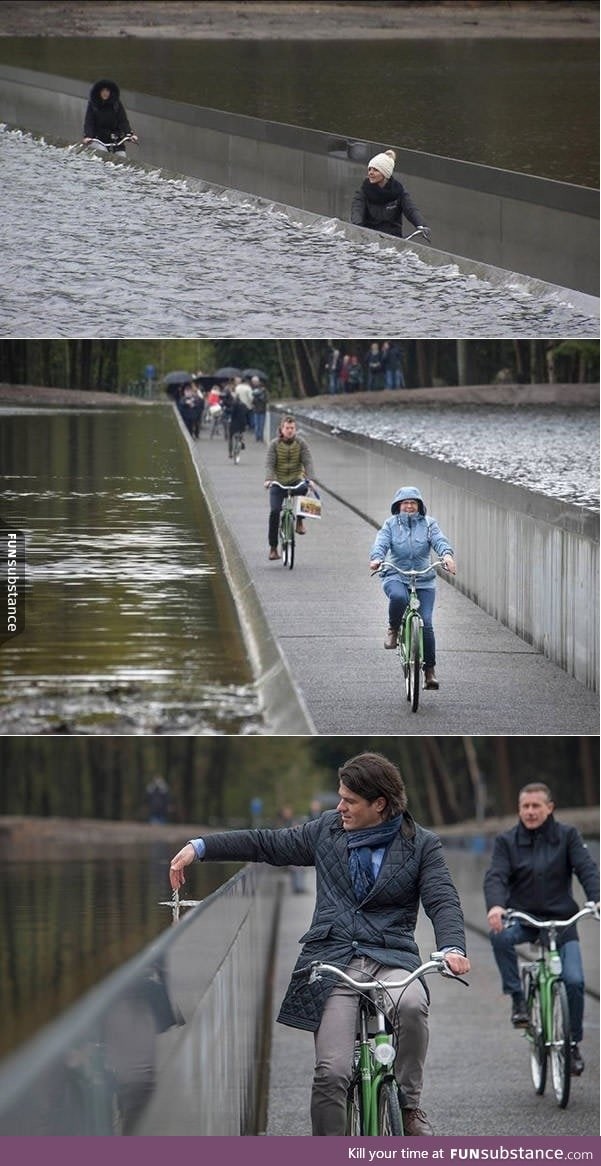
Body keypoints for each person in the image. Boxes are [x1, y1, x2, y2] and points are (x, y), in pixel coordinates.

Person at [169, 751, 470, 1137]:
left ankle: (409, 1108)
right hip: (332, 961)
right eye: (340, 796)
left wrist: (453, 948)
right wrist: (200, 847)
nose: (339, 806)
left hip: (392, 958)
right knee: (332, 1073)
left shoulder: (422, 845)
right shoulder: (326, 831)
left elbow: (443, 899)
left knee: (412, 1006)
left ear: (379, 804)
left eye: (349, 800)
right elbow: (267, 845)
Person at [483, 782, 599, 1076]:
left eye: (537, 806)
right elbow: (495, 876)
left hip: (561, 923)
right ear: (519, 809)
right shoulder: (506, 842)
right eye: (525, 806)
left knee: (573, 981)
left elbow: (587, 868)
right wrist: (496, 906)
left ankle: (572, 1046)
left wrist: (596, 899)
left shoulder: (568, 836)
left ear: (550, 808)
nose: (531, 811)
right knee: (499, 937)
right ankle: (518, 1000)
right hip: (524, 920)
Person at [369, 486, 455, 689]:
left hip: (424, 579)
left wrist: (447, 556)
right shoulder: (390, 524)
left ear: (419, 506)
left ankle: (430, 672)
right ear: (398, 506)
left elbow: (439, 541)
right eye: (405, 503)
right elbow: (381, 543)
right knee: (399, 598)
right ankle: (393, 628)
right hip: (396, 574)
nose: (409, 506)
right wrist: (377, 559)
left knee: (426, 623)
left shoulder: (429, 524)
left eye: (413, 503)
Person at [264, 415, 316, 560]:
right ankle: (273, 548)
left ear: (295, 429)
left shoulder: (301, 443)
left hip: (295, 481)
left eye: (292, 428)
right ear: (282, 429)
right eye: (287, 428)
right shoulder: (274, 444)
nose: (289, 431)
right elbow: (269, 463)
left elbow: (308, 461)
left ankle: (299, 521)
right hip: (278, 483)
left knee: (305, 490)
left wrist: (310, 479)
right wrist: (268, 479)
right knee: (274, 512)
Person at [350, 149, 430, 241]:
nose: (370, 173)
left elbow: (411, 210)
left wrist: (421, 225)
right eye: (369, 169)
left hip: (394, 240)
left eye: (375, 170)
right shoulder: (364, 191)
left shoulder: (399, 191)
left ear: (385, 173)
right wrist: (357, 225)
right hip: (369, 238)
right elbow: (357, 209)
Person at [82, 79, 137, 155]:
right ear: (98, 92)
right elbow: (89, 122)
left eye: (107, 91)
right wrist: (88, 136)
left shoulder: (116, 105)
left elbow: (123, 121)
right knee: (103, 153)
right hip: (99, 140)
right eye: (103, 91)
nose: (105, 93)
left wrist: (129, 134)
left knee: (122, 157)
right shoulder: (93, 105)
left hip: (116, 141)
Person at [228, 393, 249, 458]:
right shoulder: (244, 405)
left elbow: (232, 413)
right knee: (241, 432)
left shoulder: (234, 405)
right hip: (242, 423)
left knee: (230, 437)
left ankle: (230, 453)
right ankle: (242, 442)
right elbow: (247, 413)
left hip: (234, 423)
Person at [251, 377, 269, 443]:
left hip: (261, 410)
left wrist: (261, 398)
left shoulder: (264, 391)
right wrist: (256, 398)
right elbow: (252, 401)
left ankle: (260, 437)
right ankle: (257, 437)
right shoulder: (254, 391)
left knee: (260, 425)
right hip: (257, 410)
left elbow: (266, 400)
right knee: (257, 424)